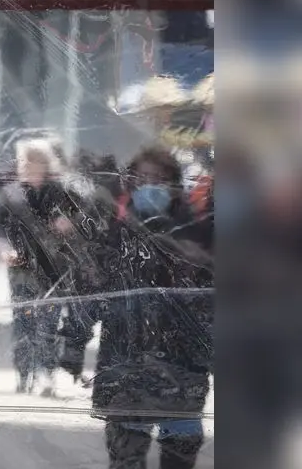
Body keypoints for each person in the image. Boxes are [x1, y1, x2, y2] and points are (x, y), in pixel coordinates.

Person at [91, 146, 213, 469]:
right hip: (126, 366)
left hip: (182, 370)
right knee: (126, 456)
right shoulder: (116, 232)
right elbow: (93, 292)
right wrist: (70, 343)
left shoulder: (198, 235)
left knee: (179, 455)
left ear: (174, 184)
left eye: (159, 179)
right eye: (143, 178)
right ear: (131, 183)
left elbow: (212, 303)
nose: (151, 185)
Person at [0, 145, 80, 396]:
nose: (25, 166)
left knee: (49, 323)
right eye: (22, 162)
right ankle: (23, 373)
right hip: (20, 268)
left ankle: (46, 373)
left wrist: (70, 224)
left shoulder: (60, 192)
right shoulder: (9, 194)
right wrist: (4, 249)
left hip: (53, 270)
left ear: (44, 165)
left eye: (31, 162)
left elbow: (85, 218)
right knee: (23, 322)